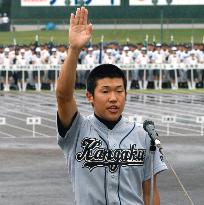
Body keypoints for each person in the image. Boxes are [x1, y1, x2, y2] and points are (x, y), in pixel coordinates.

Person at [56, 7, 167, 205]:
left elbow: (150, 193)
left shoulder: (143, 135)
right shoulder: (77, 130)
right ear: (90, 96)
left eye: (119, 91)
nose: (114, 98)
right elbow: (63, 97)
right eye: (105, 91)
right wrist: (74, 49)